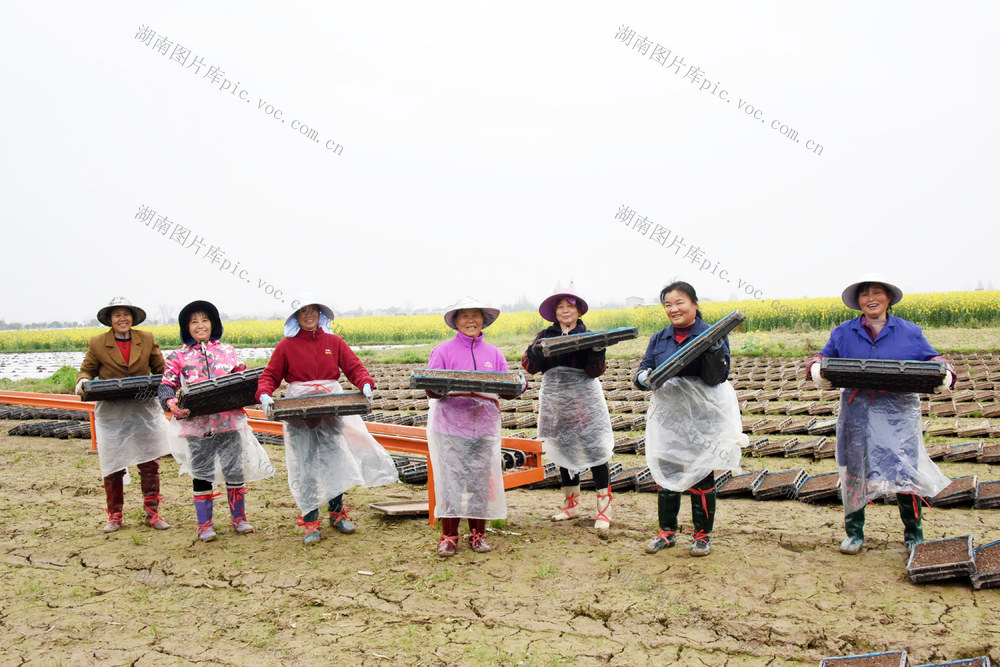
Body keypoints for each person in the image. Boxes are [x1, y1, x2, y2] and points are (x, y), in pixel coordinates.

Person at [806, 274, 953, 554]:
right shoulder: (844, 332)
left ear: (888, 298)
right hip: (857, 410)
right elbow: (821, 356)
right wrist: (815, 368)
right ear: (857, 301)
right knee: (854, 471)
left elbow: (934, 358)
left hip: (897, 413)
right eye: (864, 295)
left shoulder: (909, 331)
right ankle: (854, 533)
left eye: (876, 293)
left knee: (904, 470)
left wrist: (946, 373)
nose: (870, 299)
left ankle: (913, 534)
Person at [255, 293, 398, 545]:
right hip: (299, 412)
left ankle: (337, 513)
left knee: (334, 460)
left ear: (320, 314)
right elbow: (270, 375)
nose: (309, 314)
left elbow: (354, 367)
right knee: (305, 465)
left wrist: (365, 383)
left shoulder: (333, 341)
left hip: (331, 409)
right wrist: (265, 394)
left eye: (313, 310)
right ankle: (310, 521)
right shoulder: (285, 347)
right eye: (303, 311)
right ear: (296, 318)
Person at [634, 282, 744, 557]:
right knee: (668, 472)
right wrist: (642, 378)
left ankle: (702, 535)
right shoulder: (660, 338)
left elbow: (716, 377)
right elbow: (644, 368)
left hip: (702, 417)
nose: (673, 309)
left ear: (694, 303)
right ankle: (666, 532)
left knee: (702, 473)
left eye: (679, 302)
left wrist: (713, 350)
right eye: (668, 304)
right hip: (669, 418)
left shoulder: (711, 334)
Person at [158, 300, 274, 542]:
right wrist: (171, 404)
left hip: (228, 422)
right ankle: (205, 525)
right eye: (194, 321)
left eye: (205, 320)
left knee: (234, 469)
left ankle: (239, 519)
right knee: (202, 473)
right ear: (186, 327)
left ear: (213, 324)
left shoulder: (227, 351)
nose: (200, 325)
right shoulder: (178, 356)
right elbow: (166, 386)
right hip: (197, 427)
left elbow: (243, 378)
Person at [425, 297, 523, 557]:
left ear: (483, 320)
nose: (471, 320)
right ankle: (449, 536)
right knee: (451, 482)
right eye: (464, 316)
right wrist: (439, 386)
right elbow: (431, 390)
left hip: (484, 428)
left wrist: (519, 385)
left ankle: (477, 535)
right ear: (455, 322)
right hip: (450, 427)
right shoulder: (442, 351)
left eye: (476, 315)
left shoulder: (494, 354)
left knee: (480, 482)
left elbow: (508, 390)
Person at [522, 289, 615, 536]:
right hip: (555, 401)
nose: (565, 310)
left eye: (570, 306)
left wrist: (597, 351)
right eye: (560, 307)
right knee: (564, 448)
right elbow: (530, 367)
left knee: (595, 450)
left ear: (579, 311)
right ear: (555, 313)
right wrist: (533, 352)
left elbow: (595, 371)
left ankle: (604, 511)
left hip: (584, 401)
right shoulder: (544, 335)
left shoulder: (588, 335)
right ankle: (571, 506)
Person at [76, 297, 172, 533]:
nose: (122, 319)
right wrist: (83, 381)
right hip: (113, 412)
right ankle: (115, 515)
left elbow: (162, 368)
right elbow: (87, 369)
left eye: (126, 314)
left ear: (133, 318)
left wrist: (172, 383)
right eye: (117, 315)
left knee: (149, 462)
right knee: (113, 463)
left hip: (143, 409)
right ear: (110, 319)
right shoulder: (98, 342)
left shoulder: (146, 338)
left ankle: (152, 512)